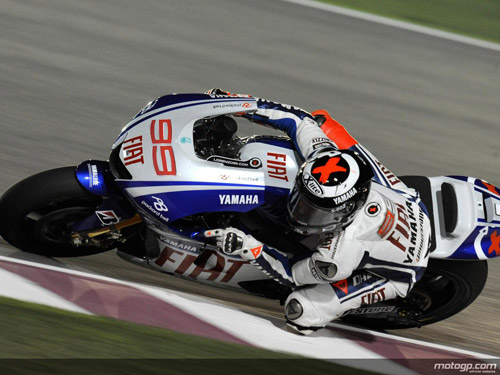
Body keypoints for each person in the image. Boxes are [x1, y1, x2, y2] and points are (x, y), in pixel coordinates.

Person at [204, 89, 432, 334]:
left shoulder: (336, 257)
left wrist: (249, 248)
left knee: (301, 311)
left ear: (345, 212)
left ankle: (344, 307)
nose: (300, 212)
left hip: (402, 272)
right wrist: (237, 104)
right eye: (303, 201)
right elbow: (298, 119)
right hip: (408, 200)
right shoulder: (323, 156)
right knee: (320, 122)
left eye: (316, 211)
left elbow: (292, 274)